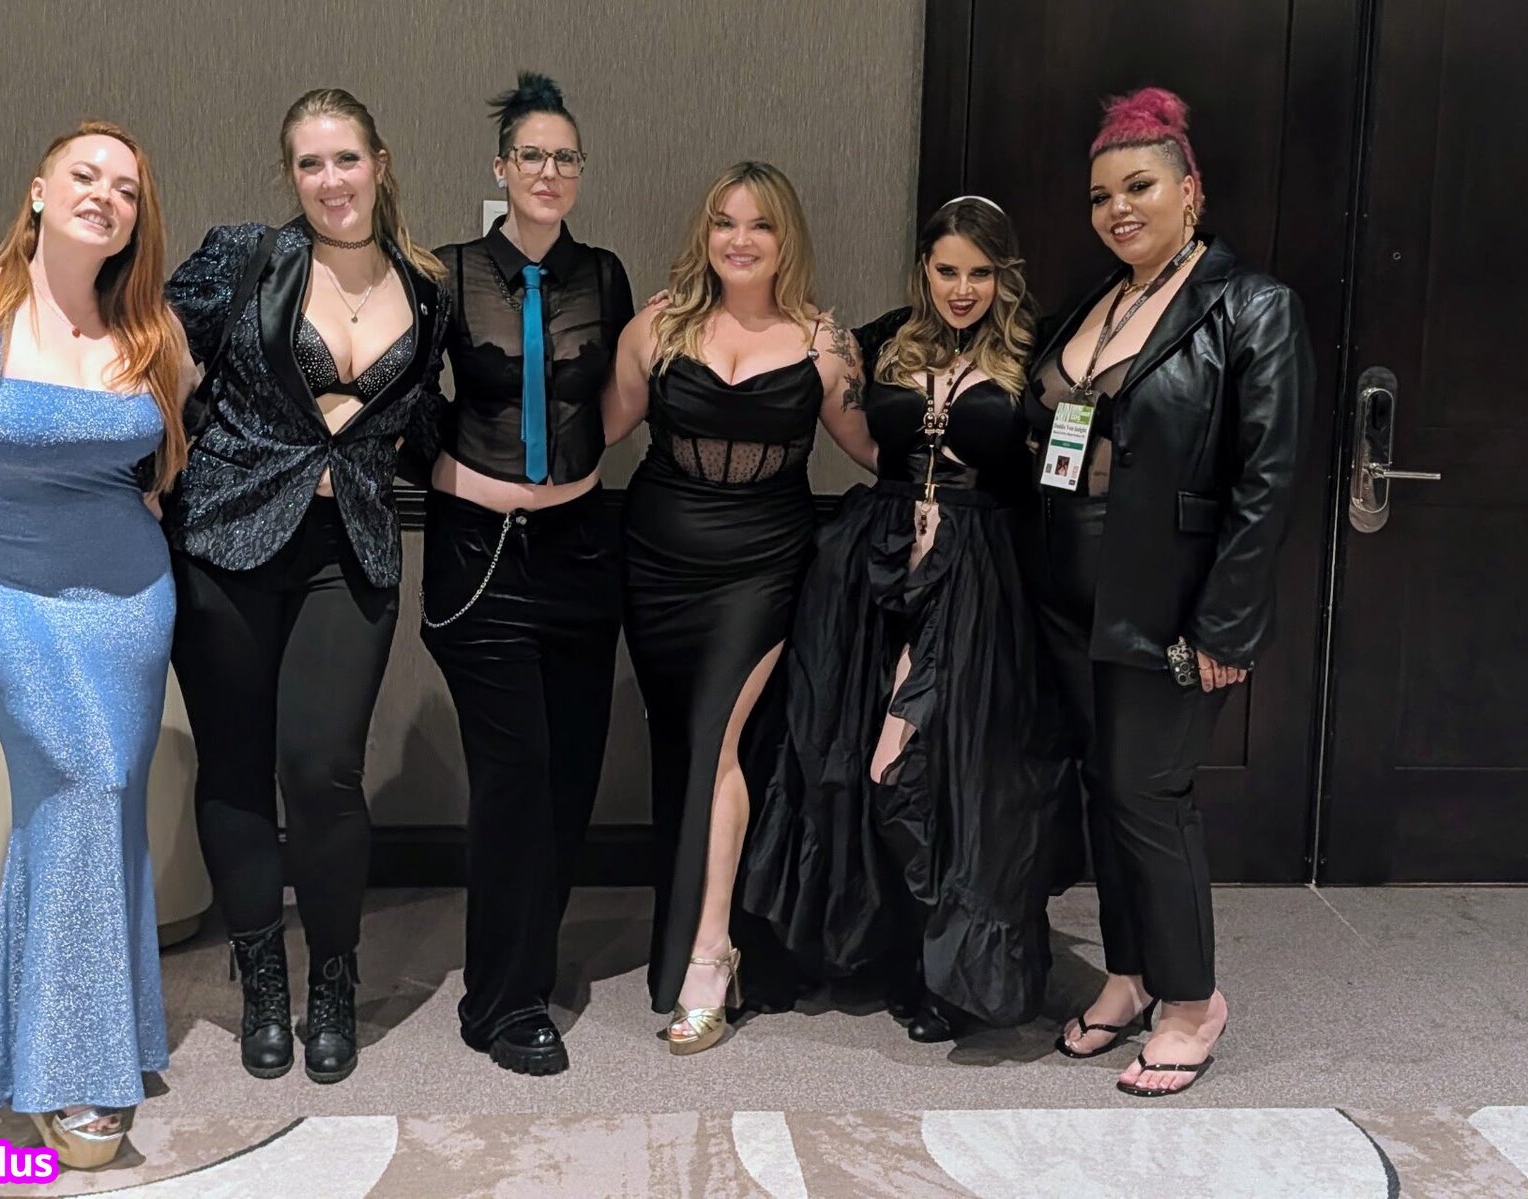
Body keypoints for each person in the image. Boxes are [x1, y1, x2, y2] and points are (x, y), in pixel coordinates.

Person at [0, 120, 190, 1167]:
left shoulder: (150, 329)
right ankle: (72, 1070)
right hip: (5, 594)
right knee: (82, 777)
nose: (106, 196)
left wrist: (146, 504)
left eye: (127, 189)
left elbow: (161, 461)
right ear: (40, 191)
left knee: (100, 808)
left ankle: (106, 1034)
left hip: (131, 604)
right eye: (85, 176)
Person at [1024, 88, 1312, 1096]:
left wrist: (1227, 623)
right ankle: (1131, 970)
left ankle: (1192, 999)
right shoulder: (1093, 303)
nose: (1118, 210)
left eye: (1138, 187)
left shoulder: (1253, 306)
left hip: (1169, 599)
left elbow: (1268, 479)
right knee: (1105, 788)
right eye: (1101, 195)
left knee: (1152, 791)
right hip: (1069, 591)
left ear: (1190, 190)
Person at [162, 88, 450, 1086]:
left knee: (321, 766)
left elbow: (424, 418)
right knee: (236, 764)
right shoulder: (244, 257)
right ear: (291, 175)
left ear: (380, 162)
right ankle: (261, 978)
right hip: (226, 537)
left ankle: (332, 974)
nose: (331, 180)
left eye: (347, 158)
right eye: (310, 164)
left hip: (350, 541)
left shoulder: (428, 289)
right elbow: (153, 362)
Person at [743, 196, 1076, 1042]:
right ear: (923, 269)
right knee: (848, 750)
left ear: (1002, 275)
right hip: (875, 562)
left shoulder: (1035, 350)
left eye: (980, 273)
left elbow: (1064, 453)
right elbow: (822, 385)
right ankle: (877, 949)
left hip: (977, 574)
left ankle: (953, 971)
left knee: (940, 762)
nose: (962, 289)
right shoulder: (886, 338)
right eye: (946, 270)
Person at [604, 160, 873, 1056]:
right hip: (655, 562)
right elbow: (598, 429)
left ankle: (710, 954)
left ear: (785, 238)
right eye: (725, 222)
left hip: (762, 567)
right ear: (705, 232)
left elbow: (875, 448)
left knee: (718, 739)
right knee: (683, 748)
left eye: (760, 224)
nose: (740, 239)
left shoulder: (825, 343)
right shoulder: (656, 327)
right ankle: (695, 932)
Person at [420, 72, 633, 1076]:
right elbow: (404, 402)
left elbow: (614, 398)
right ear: (502, 167)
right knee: (514, 776)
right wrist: (464, 478)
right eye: (531, 155)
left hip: (582, 549)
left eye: (564, 157)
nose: (549, 171)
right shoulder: (450, 272)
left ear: (579, 171)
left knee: (569, 775)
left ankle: (525, 966)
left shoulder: (605, 275)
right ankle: (502, 1003)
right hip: (481, 553)